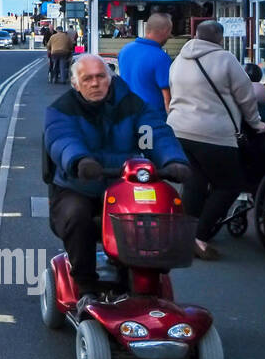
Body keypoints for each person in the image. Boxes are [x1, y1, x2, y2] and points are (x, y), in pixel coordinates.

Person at [44, 54, 191, 305]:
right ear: (76, 83)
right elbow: (62, 139)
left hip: (122, 185)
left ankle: (139, 278)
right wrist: (79, 160)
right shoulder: (61, 109)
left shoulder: (132, 104)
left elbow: (154, 132)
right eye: (87, 78)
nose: (95, 83)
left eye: (101, 76)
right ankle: (86, 288)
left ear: (110, 79)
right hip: (78, 185)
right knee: (77, 216)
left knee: (151, 212)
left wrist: (172, 160)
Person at [166, 20, 265, 259]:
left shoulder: (179, 59)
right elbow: (246, 96)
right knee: (229, 184)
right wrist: (256, 123)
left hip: (179, 130)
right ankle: (200, 237)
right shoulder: (226, 59)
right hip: (212, 133)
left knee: (196, 183)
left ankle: (185, 236)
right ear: (219, 38)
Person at [116, 12, 173, 119]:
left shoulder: (125, 50)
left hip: (128, 115)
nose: (170, 36)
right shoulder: (161, 57)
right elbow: (167, 98)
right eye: (170, 32)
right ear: (166, 31)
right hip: (153, 118)